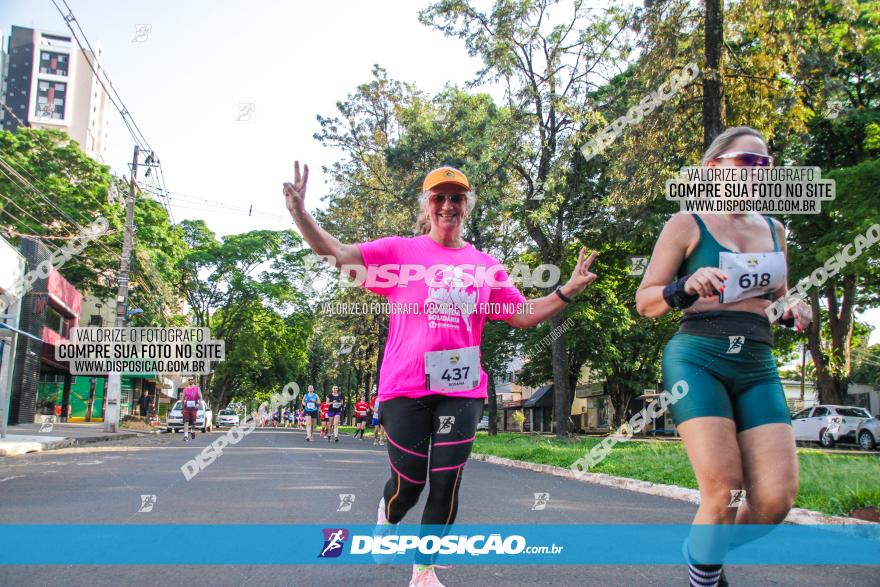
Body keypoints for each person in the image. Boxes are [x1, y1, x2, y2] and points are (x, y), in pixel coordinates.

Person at [284, 161, 597, 586]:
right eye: (439, 197)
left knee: (446, 482)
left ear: (466, 206)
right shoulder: (399, 253)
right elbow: (338, 255)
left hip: (462, 390)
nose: (447, 205)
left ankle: (423, 570)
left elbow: (522, 314)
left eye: (456, 198)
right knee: (409, 484)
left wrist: (565, 291)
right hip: (404, 386)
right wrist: (301, 213)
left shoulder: (486, 265)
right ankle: (388, 516)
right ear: (427, 205)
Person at [635, 126, 812, 587]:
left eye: (766, 163)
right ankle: (707, 574)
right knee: (724, 490)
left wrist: (792, 307)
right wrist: (684, 286)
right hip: (698, 356)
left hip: (757, 362)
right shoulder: (686, 223)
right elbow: (647, 302)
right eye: (748, 161)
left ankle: (702, 551)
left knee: (775, 500)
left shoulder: (775, 229)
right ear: (714, 168)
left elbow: (775, 301)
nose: (760, 170)